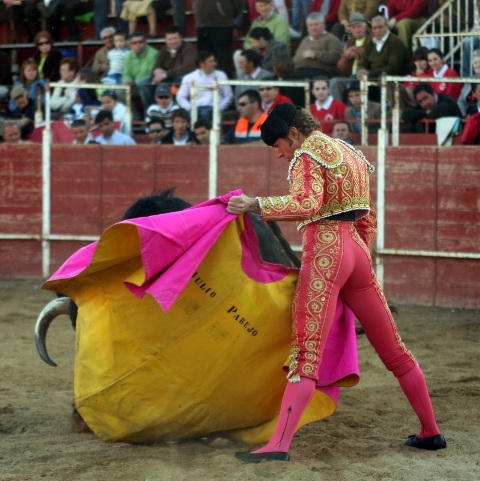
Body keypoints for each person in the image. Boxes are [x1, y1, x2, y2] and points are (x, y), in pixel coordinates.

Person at [226, 102, 446, 463]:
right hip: (356, 251)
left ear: (294, 134)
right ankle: (431, 431)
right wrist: (360, 257)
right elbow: (368, 214)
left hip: (326, 250)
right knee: (395, 351)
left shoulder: (306, 153)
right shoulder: (348, 151)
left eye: (279, 146)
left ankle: (278, 445)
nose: (280, 155)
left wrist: (256, 204)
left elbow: (308, 203)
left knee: (306, 352)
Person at [176, 51, 234, 121]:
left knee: (205, 113)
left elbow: (229, 96)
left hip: (213, 108)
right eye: (211, 61)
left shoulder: (221, 75)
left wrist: (219, 108)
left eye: (214, 61)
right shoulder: (189, 78)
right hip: (196, 108)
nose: (214, 63)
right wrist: (190, 108)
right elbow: (180, 97)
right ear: (202, 64)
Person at [193, 0, 244, 79]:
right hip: (202, 26)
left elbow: (238, 3)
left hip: (222, 26)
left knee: (223, 61)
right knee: (204, 60)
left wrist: (225, 13)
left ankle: (226, 87)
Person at [148, 25, 197, 104]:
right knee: (144, 83)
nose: (173, 41)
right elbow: (157, 65)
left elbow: (188, 66)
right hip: (168, 79)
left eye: (175, 38)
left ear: (181, 37)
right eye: (169, 39)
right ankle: (151, 110)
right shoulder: (164, 49)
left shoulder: (189, 48)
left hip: (182, 80)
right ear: (165, 40)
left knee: (167, 85)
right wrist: (156, 70)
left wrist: (165, 74)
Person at [330, 12, 371, 103]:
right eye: (353, 27)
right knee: (334, 82)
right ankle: (339, 109)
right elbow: (341, 69)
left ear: (365, 26)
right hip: (350, 77)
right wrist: (346, 57)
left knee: (353, 82)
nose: (357, 30)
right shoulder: (349, 42)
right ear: (350, 30)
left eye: (359, 26)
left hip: (366, 76)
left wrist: (360, 52)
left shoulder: (372, 38)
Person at [293, 12, 343, 80]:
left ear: (323, 26)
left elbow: (336, 57)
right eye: (310, 25)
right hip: (299, 71)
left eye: (316, 25)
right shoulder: (305, 40)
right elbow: (296, 57)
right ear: (307, 28)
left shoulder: (331, 39)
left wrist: (315, 54)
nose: (313, 28)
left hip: (321, 72)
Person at [122, 32, 159, 118]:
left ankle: (149, 116)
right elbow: (126, 73)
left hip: (150, 85)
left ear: (146, 43)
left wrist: (136, 82)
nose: (138, 45)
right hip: (135, 85)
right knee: (119, 91)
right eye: (134, 43)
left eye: (140, 42)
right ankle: (134, 117)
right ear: (130, 45)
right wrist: (127, 80)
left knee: (144, 85)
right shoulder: (128, 56)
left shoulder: (153, 54)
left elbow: (151, 74)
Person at [458, 50, 480, 116]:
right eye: (475, 63)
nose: (477, 65)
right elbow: (460, 101)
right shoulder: (470, 80)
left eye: (479, 62)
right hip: (469, 117)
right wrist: (463, 114)